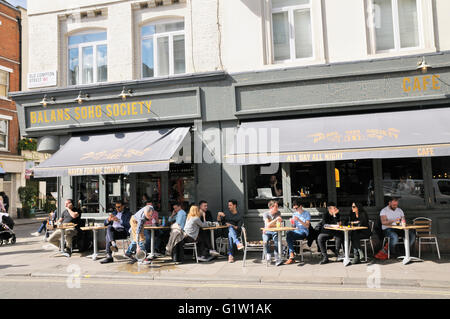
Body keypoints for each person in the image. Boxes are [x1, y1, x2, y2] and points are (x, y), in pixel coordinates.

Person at [284, 200, 311, 265]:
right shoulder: (294, 214)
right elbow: (293, 227)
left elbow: (307, 226)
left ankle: (291, 256)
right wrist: (292, 223)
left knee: (289, 236)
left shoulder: (306, 213)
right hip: (296, 231)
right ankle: (291, 254)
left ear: (301, 206)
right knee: (288, 233)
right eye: (294, 208)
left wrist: (299, 220)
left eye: (296, 208)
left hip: (303, 232)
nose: (295, 210)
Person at [262, 200, 283, 266]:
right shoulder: (266, 214)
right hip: (267, 231)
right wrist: (275, 220)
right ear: (271, 207)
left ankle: (277, 257)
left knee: (277, 241)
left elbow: (279, 224)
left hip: (275, 231)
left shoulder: (278, 213)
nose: (277, 208)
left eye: (277, 206)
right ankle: (268, 255)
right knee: (265, 241)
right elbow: (267, 225)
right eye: (276, 207)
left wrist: (272, 224)